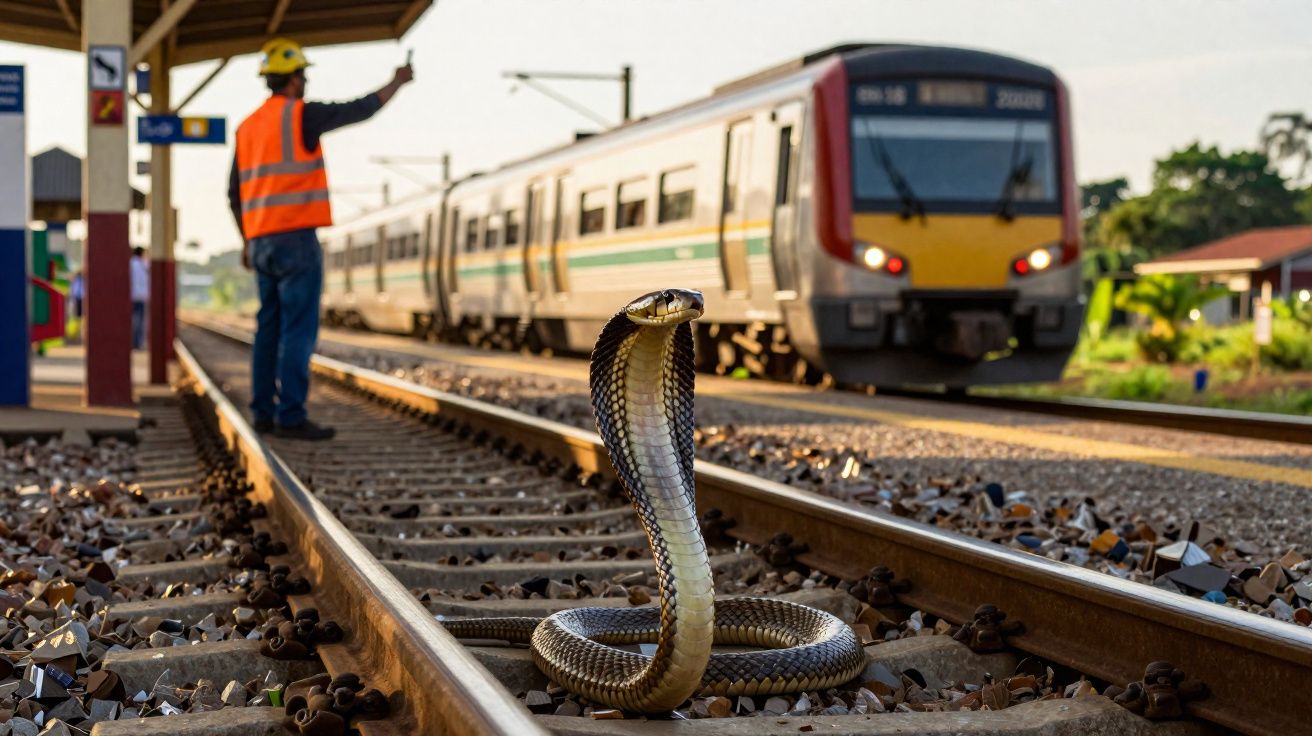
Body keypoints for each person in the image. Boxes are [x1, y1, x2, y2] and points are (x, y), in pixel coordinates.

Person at [228, 38, 413, 440]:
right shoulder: (300, 116)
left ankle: (262, 413)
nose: (305, 82)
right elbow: (359, 109)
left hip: (260, 242)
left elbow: (233, 192)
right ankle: (290, 415)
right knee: (297, 329)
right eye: (303, 76)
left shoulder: (246, 128)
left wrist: (246, 239)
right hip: (295, 238)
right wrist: (396, 82)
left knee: (268, 329)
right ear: (293, 80)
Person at [129, 248, 149, 350]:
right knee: (139, 321)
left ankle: (134, 342)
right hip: (140, 297)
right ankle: (137, 343)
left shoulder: (130, 263)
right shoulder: (143, 264)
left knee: (134, 320)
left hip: (132, 296)